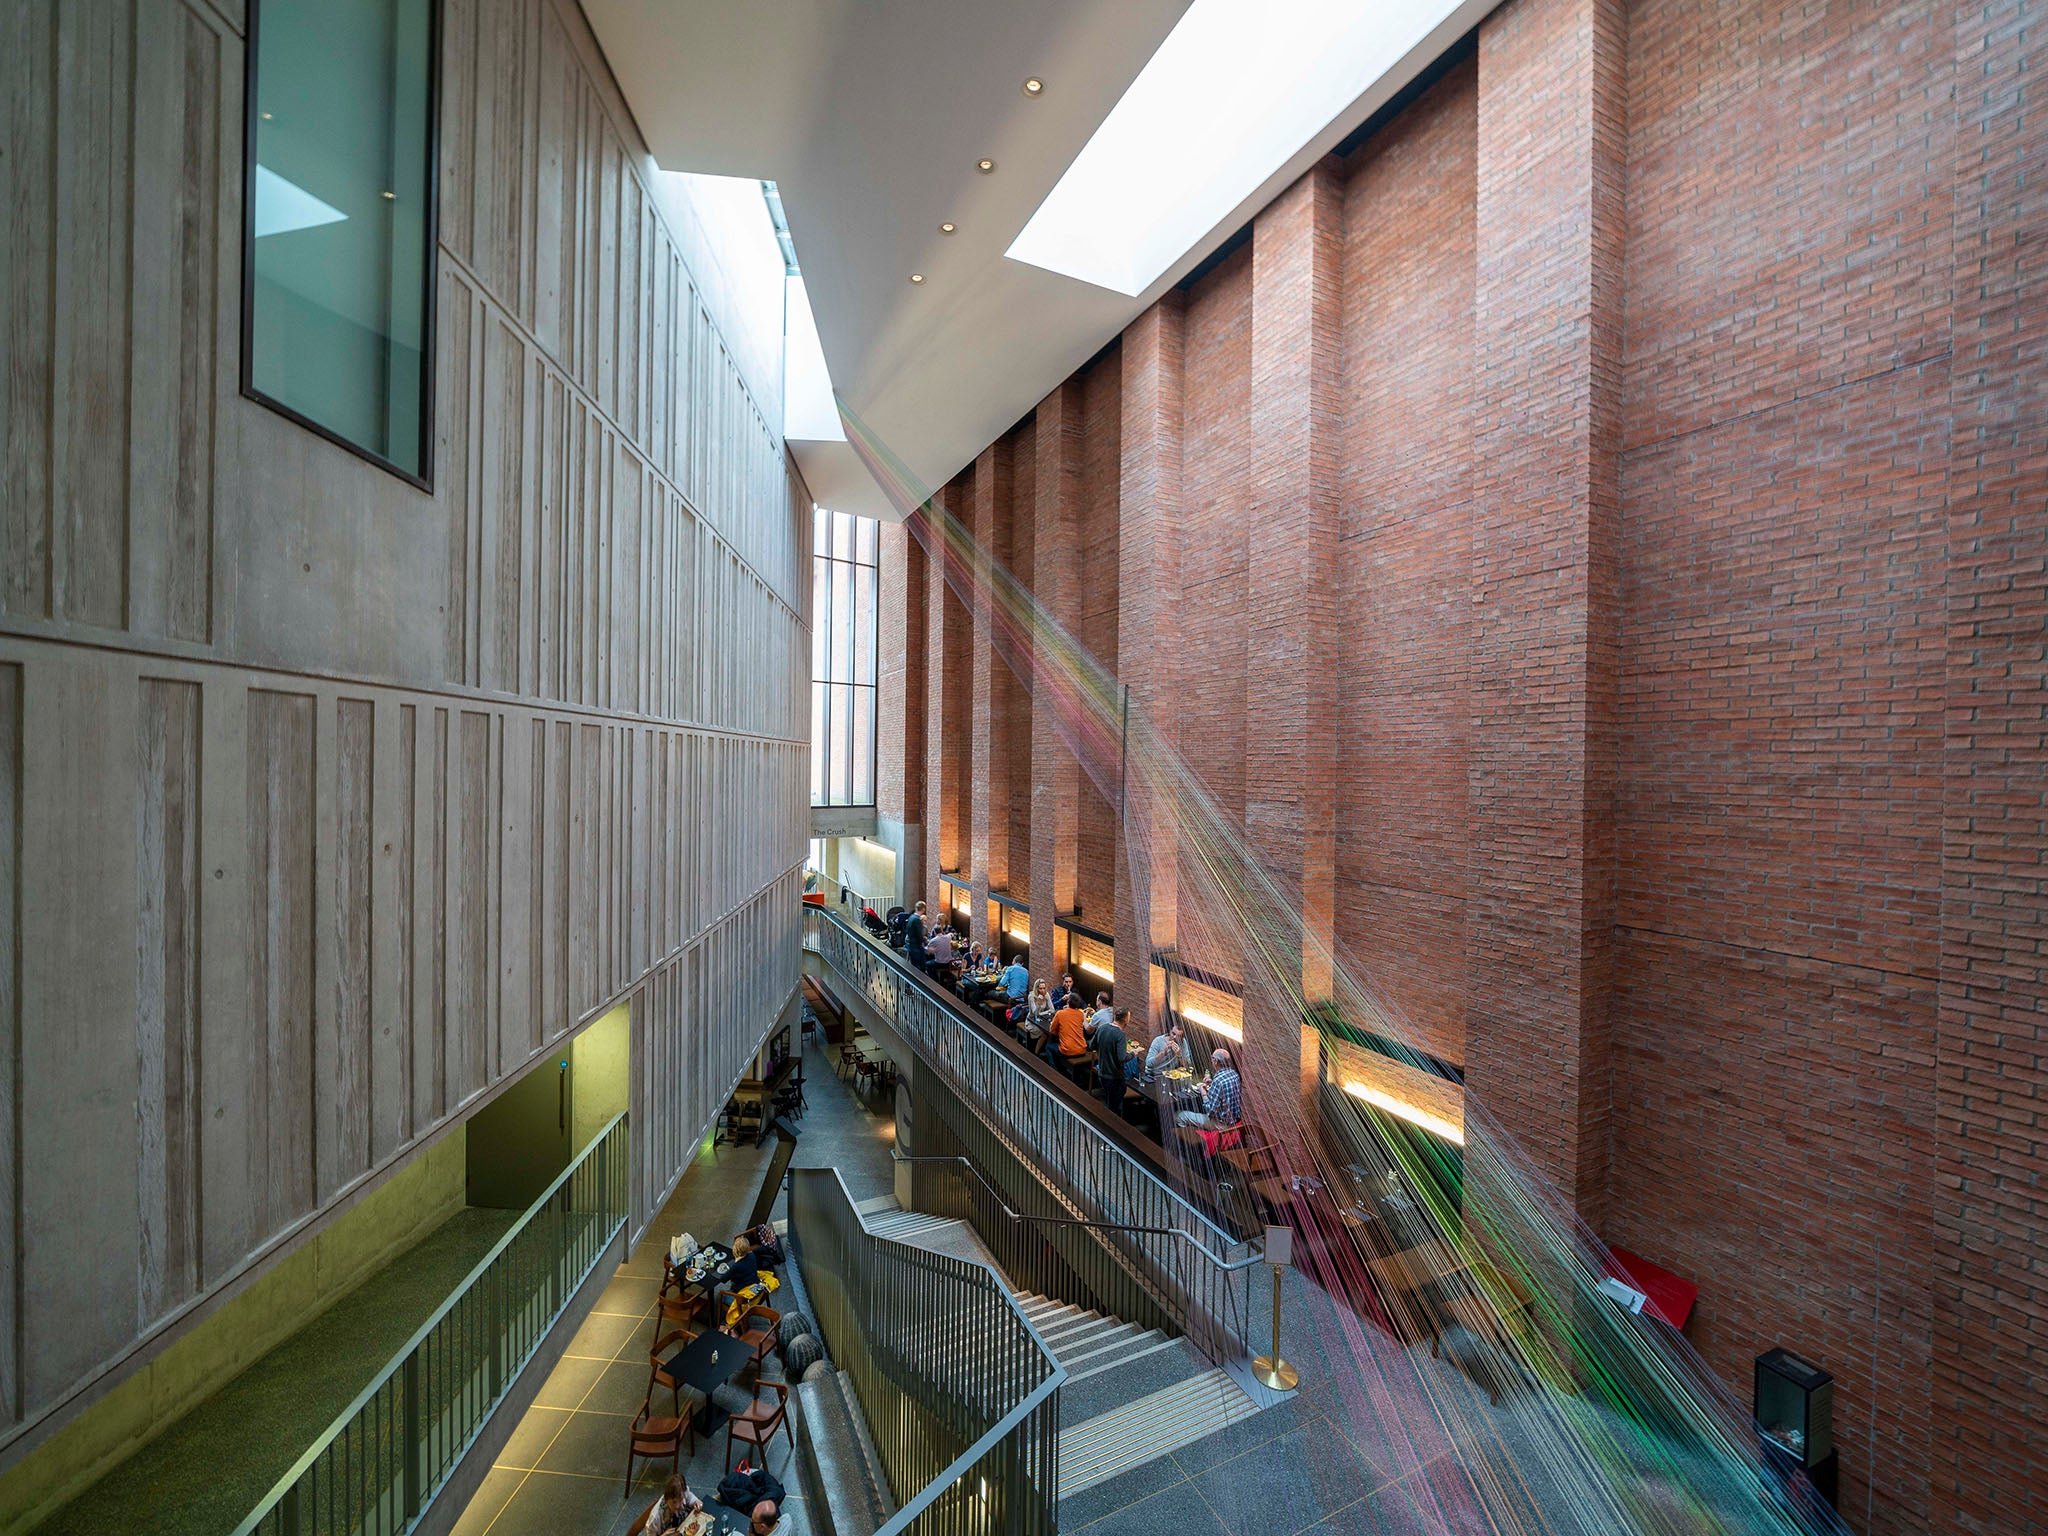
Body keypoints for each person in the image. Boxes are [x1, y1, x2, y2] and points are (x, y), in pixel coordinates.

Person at [1177, 1048, 1243, 1130]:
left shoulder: (1218, 1081)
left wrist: (1203, 1092)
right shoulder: (1234, 1074)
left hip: (1220, 1124)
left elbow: (1210, 1110)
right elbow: (1225, 1093)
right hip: (1234, 1120)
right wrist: (1212, 1084)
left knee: (1181, 1116)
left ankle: (1194, 1138)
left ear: (1215, 1061)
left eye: (1212, 1058)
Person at [1094, 1006, 1132, 1119]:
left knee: (1109, 1100)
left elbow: (1092, 1045)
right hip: (1115, 1076)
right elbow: (1122, 1058)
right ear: (1125, 1020)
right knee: (1113, 1105)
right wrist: (1133, 1054)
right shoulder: (1120, 1035)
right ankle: (1110, 1127)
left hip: (1102, 1073)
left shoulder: (1102, 1028)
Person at [1046, 993, 1088, 1069]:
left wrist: (1060, 1032)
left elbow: (1052, 1030)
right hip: (1082, 1048)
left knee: (1048, 1046)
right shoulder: (1081, 1014)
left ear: (1068, 1002)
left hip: (1067, 1050)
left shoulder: (1060, 1013)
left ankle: (1054, 1070)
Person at [906, 900, 930, 969]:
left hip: (911, 944)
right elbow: (919, 934)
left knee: (914, 965)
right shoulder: (917, 920)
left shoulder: (911, 917)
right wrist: (924, 942)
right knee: (920, 966)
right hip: (916, 946)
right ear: (923, 909)